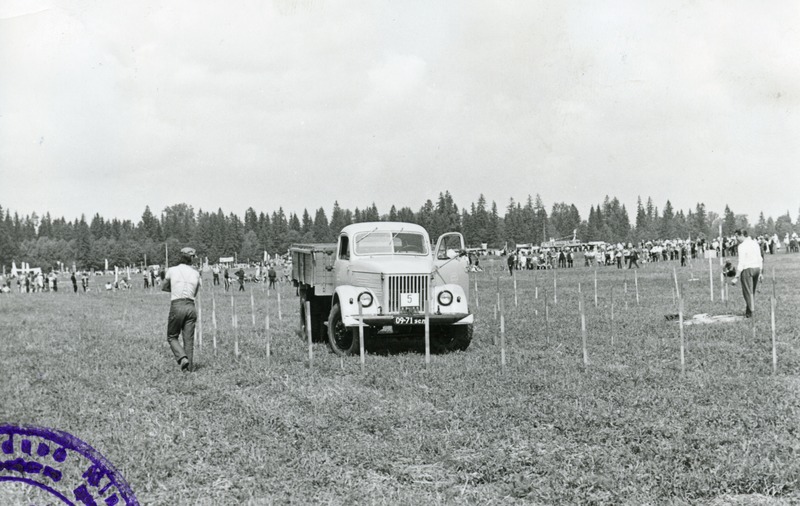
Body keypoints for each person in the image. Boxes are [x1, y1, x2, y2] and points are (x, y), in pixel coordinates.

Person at [163, 247, 202, 373]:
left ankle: (182, 357)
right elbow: (195, 293)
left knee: (172, 336)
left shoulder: (172, 270)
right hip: (191, 306)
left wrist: (174, 289)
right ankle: (189, 370)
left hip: (177, 305)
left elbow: (164, 287)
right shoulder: (196, 273)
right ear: (191, 258)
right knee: (188, 341)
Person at [731, 230, 763, 318]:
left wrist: (736, 276)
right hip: (756, 268)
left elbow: (741, 262)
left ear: (742, 235)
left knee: (747, 293)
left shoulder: (741, 246)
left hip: (747, 269)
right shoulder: (755, 243)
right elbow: (760, 258)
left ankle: (752, 312)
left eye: (737, 236)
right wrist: (760, 272)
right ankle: (748, 313)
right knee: (751, 292)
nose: (736, 238)